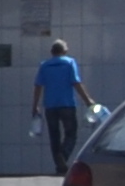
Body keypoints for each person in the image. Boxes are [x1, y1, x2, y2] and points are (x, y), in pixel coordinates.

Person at [36, 39, 88, 169]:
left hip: (50, 106)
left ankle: (60, 164)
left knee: (54, 136)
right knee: (71, 133)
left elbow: (38, 86)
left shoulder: (44, 65)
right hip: (67, 104)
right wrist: (88, 100)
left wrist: (34, 106)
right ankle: (63, 156)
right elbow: (76, 83)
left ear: (52, 52)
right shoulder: (70, 63)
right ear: (64, 51)